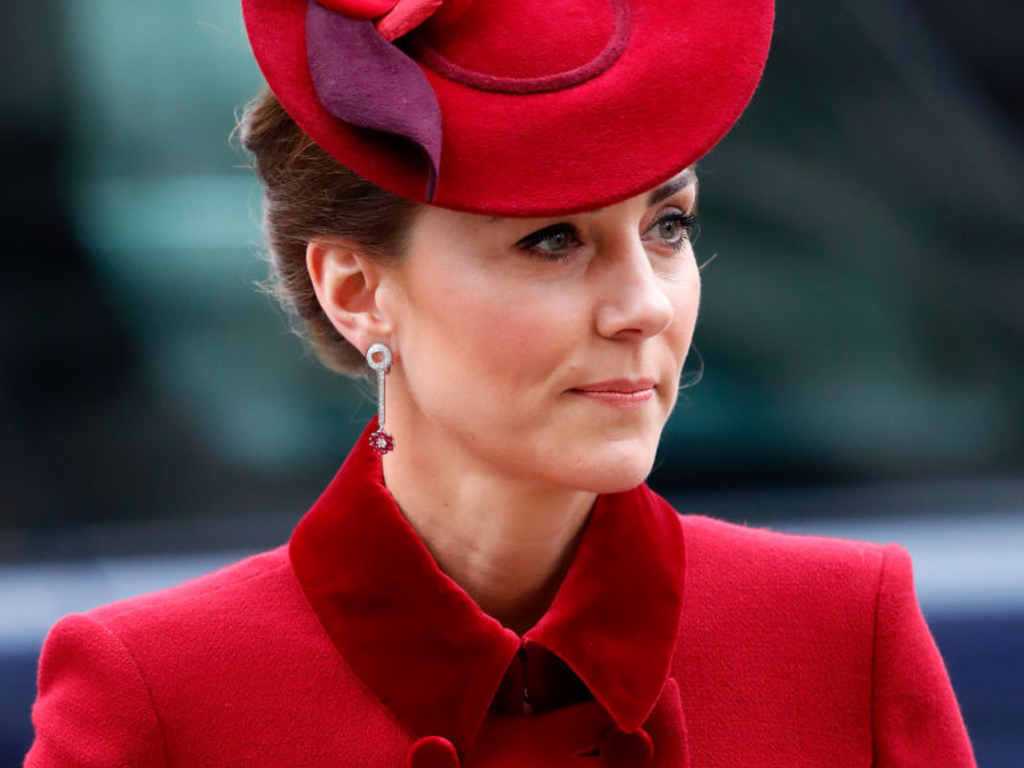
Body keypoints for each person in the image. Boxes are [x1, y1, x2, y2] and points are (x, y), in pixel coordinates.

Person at [26, 0, 976, 766]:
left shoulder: (841, 639)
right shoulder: (159, 701)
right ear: (357, 292)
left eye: (669, 227)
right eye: (552, 241)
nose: (642, 306)